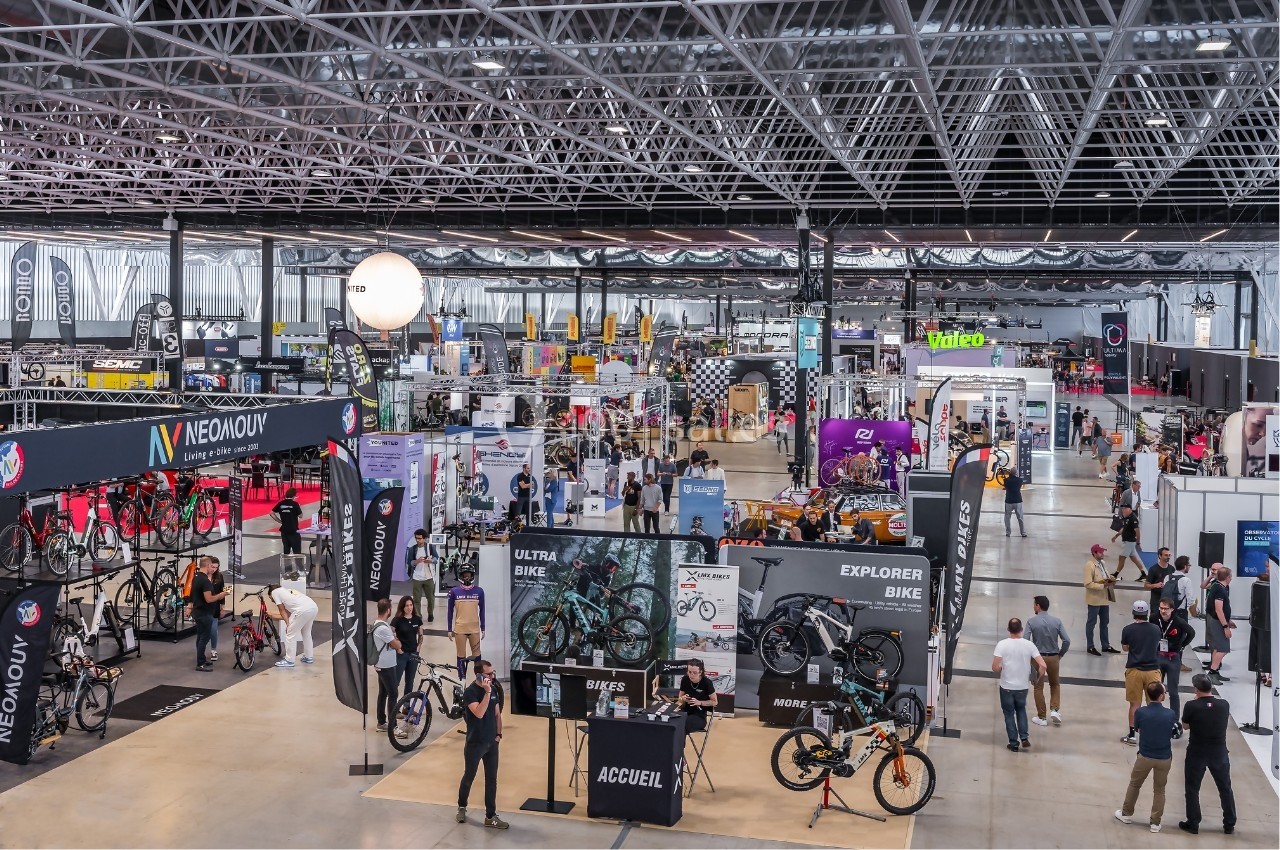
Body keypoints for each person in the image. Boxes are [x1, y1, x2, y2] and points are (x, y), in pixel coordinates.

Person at [1114, 680, 1178, 833]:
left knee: (1135, 785)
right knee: (1160, 790)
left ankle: (1126, 813)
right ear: (1161, 696)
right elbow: (1173, 732)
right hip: (1164, 757)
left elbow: (1138, 729)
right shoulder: (1170, 713)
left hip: (1145, 756)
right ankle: (1155, 822)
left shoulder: (1141, 712)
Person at [1179, 673, 1236, 835]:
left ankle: (1193, 823)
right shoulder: (1224, 705)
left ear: (1196, 689)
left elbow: (1185, 726)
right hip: (1219, 752)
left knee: (1192, 788)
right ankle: (1229, 823)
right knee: (1225, 788)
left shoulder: (1191, 706)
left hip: (1197, 752)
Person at [456, 659, 507, 830]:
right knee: (469, 776)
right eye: (489, 674)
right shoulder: (470, 692)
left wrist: (498, 735)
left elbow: (497, 714)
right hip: (475, 743)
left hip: (492, 743)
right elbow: (479, 713)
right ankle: (462, 806)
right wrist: (486, 693)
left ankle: (490, 815)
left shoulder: (494, 690)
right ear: (478, 674)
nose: (492, 677)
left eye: (493, 673)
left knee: (491, 780)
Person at [992, 617, 1046, 752]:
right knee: (1021, 710)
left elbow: (994, 667)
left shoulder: (1002, 644)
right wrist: (1037, 679)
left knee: (1009, 713)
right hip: (1023, 686)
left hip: (1006, 686)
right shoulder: (1029, 645)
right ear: (1021, 630)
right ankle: (1024, 737)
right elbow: (1043, 665)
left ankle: (1013, 743)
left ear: (1008, 630)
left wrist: (1000, 668)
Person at [1121, 600, 1163, 744]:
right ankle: (1153, 734)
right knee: (1154, 704)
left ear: (1134, 613)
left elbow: (1125, 648)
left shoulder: (1127, 630)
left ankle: (1132, 734)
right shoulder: (1156, 629)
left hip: (1135, 671)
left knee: (1134, 704)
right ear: (1147, 613)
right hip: (1153, 671)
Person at [1026, 595, 1070, 727]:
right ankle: (1055, 710)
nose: (1033, 606)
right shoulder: (1057, 621)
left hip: (1038, 659)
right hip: (1053, 657)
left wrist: (1029, 657)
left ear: (1038, 606)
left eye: (1034, 604)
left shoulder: (1031, 622)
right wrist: (1060, 654)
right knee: (1055, 684)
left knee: (1038, 687)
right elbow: (1067, 640)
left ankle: (1042, 717)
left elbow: (1025, 641)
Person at [1151, 598, 1195, 718]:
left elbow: (1191, 633)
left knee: (1173, 691)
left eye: (1166, 609)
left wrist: (1182, 645)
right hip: (1158, 656)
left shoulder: (1178, 622)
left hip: (1173, 658)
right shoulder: (1154, 618)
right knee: (1155, 689)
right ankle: (1154, 715)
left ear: (1172, 609)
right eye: (1161, 608)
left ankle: (1175, 720)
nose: (1163, 611)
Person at [186, 555, 227, 671]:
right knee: (204, 637)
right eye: (212, 566)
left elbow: (193, 594)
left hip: (198, 611)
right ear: (208, 565)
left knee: (200, 637)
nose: (213, 569)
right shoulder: (205, 581)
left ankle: (202, 659)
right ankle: (200, 663)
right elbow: (209, 599)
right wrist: (221, 595)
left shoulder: (196, 577)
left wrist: (190, 606)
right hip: (205, 613)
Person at [371, 598, 404, 736]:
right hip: (386, 665)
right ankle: (393, 726)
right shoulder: (383, 628)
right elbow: (397, 645)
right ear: (389, 610)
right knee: (393, 694)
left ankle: (381, 722)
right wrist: (396, 642)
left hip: (382, 664)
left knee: (383, 693)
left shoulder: (377, 624)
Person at [268, 582, 319, 668]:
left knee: (290, 634)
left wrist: (288, 625)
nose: (271, 600)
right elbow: (286, 614)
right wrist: (272, 615)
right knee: (306, 632)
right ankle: (308, 656)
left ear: (270, 593)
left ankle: (289, 660)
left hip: (303, 610)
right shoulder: (287, 593)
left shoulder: (274, 592)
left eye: (270, 598)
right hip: (313, 607)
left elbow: (281, 610)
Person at [447, 566, 485, 681]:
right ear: (461, 576)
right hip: (460, 630)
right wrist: (449, 629)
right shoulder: (454, 591)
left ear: (473, 575)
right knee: (461, 656)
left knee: (477, 656)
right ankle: (461, 680)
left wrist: (483, 627)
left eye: (469, 574)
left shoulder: (479, 591)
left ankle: (479, 679)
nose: (467, 577)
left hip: (474, 629)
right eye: (464, 574)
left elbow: (482, 610)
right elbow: (449, 611)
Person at [1084, 543, 1120, 655]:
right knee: (1091, 623)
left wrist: (1112, 579)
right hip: (1094, 600)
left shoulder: (1103, 563)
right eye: (1100, 552)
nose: (1102, 554)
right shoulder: (1089, 565)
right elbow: (1087, 583)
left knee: (1105, 622)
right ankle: (1090, 646)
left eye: (1103, 552)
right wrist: (1102, 586)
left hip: (1104, 598)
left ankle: (1106, 645)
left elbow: (1106, 576)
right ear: (1094, 553)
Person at [1204, 565, 1235, 684]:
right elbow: (1219, 609)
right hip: (1217, 622)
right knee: (1223, 648)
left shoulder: (1217, 586)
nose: (1231, 577)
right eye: (1230, 575)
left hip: (1217, 621)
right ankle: (1212, 672)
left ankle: (1215, 671)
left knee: (1218, 647)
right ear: (1227, 577)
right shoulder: (1220, 589)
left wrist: (1228, 620)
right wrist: (1225, 626)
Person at [391, 595, 423, 692]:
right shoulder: (397, 620)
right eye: (406, 606)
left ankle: (407, 703)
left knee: (410, 681)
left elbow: (421, 635)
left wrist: (418, 649)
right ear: (402, 607)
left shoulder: (417, 619)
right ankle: (393, 702)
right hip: (401, 654)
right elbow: (390, 635)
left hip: (413, 654)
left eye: (411, 605)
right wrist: (398, 649)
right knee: (396, 680)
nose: (409, 608)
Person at [405, 528, 437, 623]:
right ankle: (418, 615)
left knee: (430, 598)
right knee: (416, 599)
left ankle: (430, 613)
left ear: (424, 539)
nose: (418, 540)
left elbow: (436, 558)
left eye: (420, 538)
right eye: (416, 538)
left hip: (429, 576)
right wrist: (416, 561)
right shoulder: (412, 549)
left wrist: (430, 560)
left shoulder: (430, 547)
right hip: (417, 577)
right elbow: (409, 562)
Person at [677, 657, 717, 733]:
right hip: (685, 711)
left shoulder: (706, 682)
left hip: (699, 715)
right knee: (672, 722)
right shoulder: (685, 679)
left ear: (700, 672)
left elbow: (715, 702)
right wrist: (683, 698)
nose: (691, 675)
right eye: (689, 672)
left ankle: (678, 744)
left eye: (694, 673)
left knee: (681, 725)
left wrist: (700, 702)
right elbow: (680, 698)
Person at [1110, 504, 1143, 582]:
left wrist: (1138, 543)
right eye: (1123, 508)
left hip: (1129, 541)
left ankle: (1116, 574)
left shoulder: (1133, 518)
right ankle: (1144, 574)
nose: (1123, 510)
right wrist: (1116, 536)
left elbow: (1137, 531)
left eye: (1125, 508)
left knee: (1122, 557)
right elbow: (1124, 528)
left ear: (1130, 509)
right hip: (1127, 541)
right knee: (1133, 558)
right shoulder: (1126, 518)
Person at [270, 487, 304, 555]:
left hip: (284, 530)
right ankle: (298, 565)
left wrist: (280, 521)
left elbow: (271, 513)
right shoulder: (295, 504)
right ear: (294, 495)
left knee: (286, 551)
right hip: (293, 530)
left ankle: (286, 564)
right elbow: (300, 515)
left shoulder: (280, 503)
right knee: (297, 552)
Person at [1143, 547, 1174, 613]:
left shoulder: (1172, 569)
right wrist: (1155, 585)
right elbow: (1146, 585)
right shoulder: (1153, 569)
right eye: (1166, 555)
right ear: (1160, 556)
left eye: (1169, 555)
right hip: (1156, 601)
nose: (1168, 557)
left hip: (1168, 601)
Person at [1003, 470, 1026, 537]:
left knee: (1007, 517)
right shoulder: (1020, 480)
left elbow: (1006, 486)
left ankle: (1008, 532)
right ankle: (1023, 533)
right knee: (1020, 518)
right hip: (1017, 501)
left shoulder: (1006, 480)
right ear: (1016, 473)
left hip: (1008, 501)